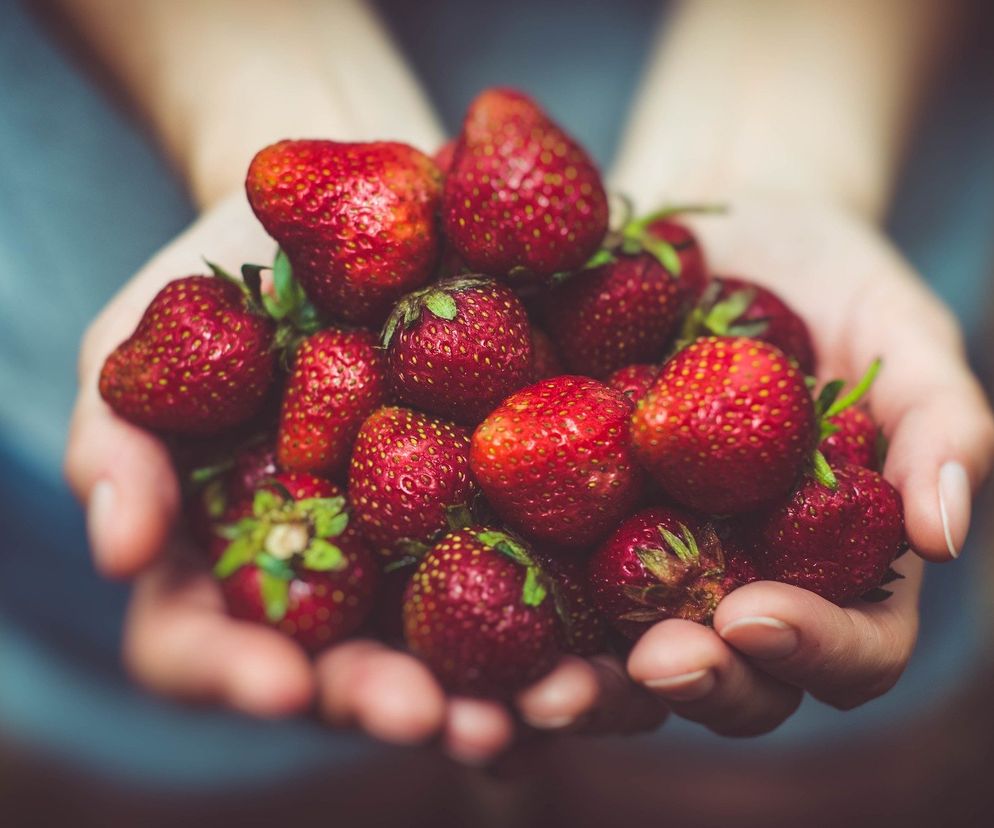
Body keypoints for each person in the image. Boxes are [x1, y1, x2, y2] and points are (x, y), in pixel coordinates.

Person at [4, 0, 992, 787]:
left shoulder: (614, 402)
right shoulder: (416, 380)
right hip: (98, 214)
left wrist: (780, 152)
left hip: (883, 139)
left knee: (771, 781)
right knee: (252, 778)